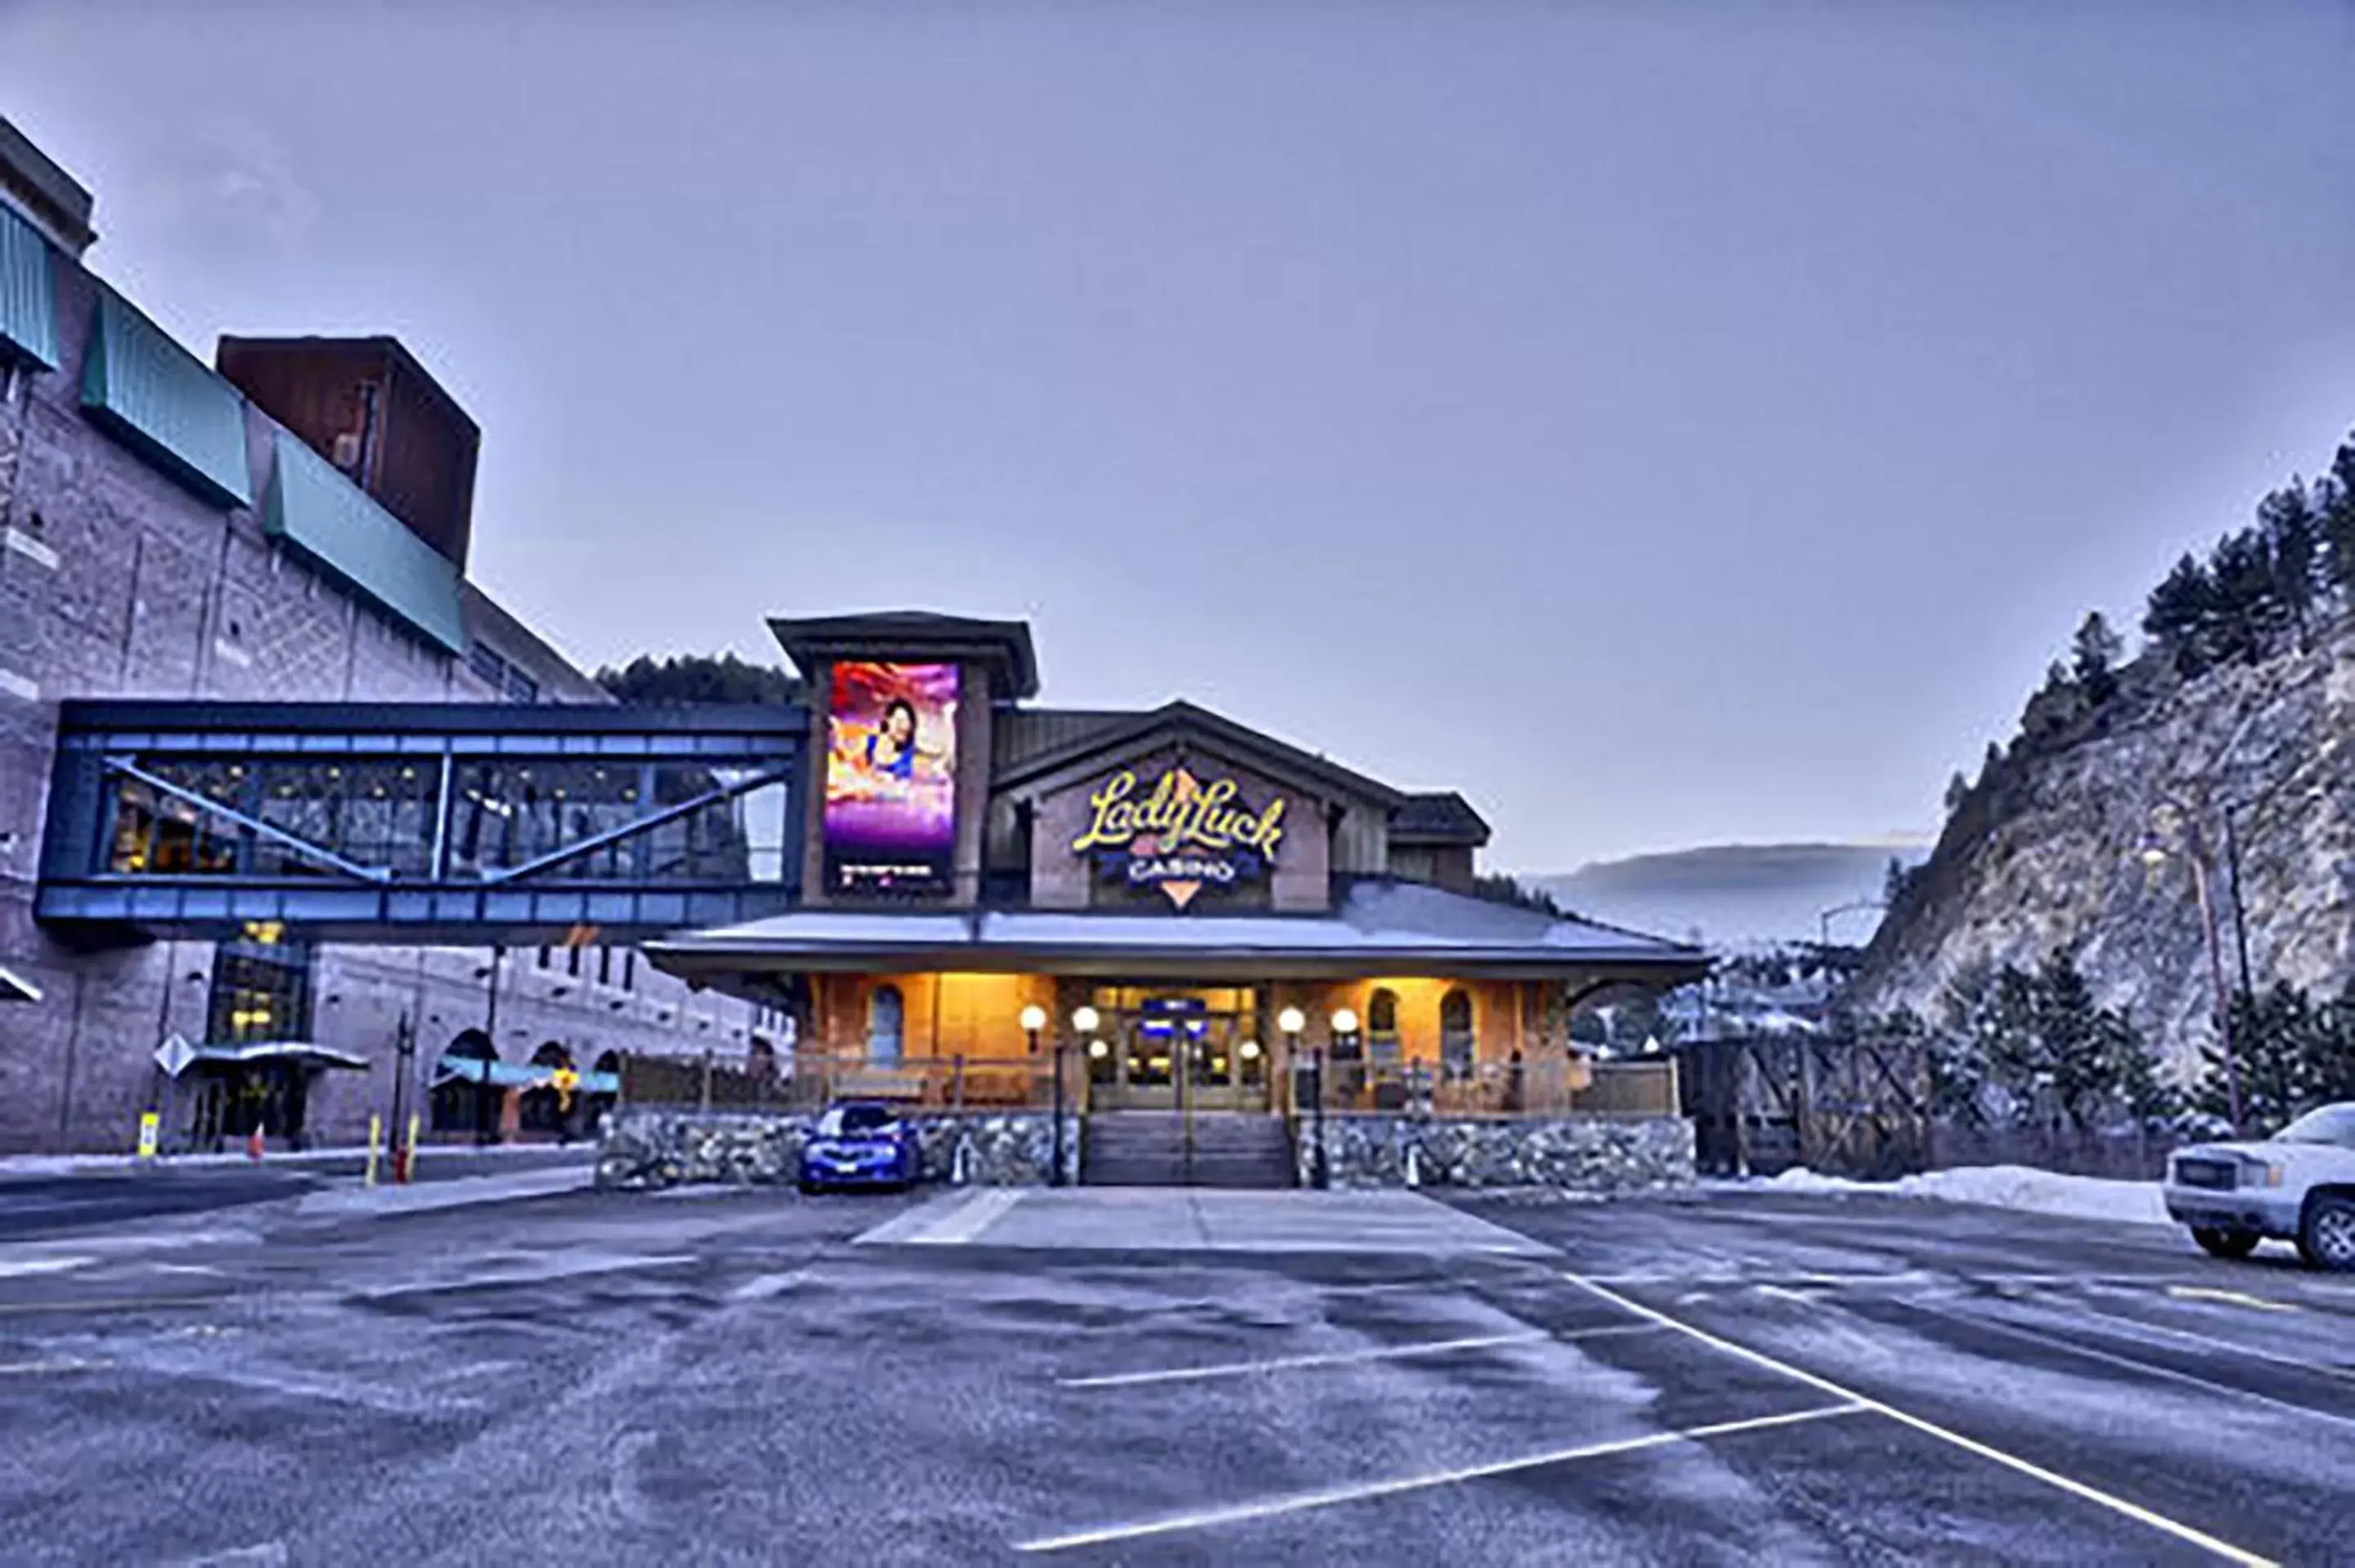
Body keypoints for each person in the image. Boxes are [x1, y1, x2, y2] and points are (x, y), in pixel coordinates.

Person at [865, 698, 920, 780]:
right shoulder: (868, 742)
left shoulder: (909, 753)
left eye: (908, 722)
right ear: (887, 720)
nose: (904, 726)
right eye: (900, 721)